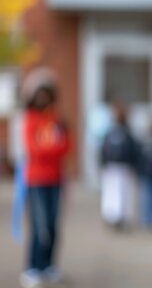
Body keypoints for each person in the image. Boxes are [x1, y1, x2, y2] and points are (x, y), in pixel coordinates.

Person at [20, 83, 70, 288]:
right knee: (39, 225)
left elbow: (66, 145)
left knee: (53, 224)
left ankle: (49, 265)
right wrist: (52, 148)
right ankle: (33, 267)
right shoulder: (31, 119)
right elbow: (34, 149)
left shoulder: (58, 119)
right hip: (37, 180)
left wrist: (50, 148)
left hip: (56, 179)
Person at [99, 103, 142, 231]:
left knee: (122, 194)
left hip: (123, 167)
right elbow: (104, 150)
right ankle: (113, 215)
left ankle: (120, 216)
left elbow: (133, 150)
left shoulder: (125, 132)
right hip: (114, 166)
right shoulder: (113, 132)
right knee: (113, 193)